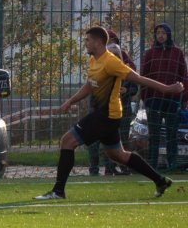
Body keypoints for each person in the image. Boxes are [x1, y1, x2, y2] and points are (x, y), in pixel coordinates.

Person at [35, 26, 183, 201]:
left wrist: (167, 89)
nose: (85, 43)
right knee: (117, 154)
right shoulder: (93, 60)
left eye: (88, 40)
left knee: (67, 141)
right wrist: (70, 101)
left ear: (98, 42)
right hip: (107, 115)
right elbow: (89, 86)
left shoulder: (111, 62)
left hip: (107, 115)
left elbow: (138, 78)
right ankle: (160, 181)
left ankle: (58, 191)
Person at [139, 23, 188, 172]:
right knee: (154, 134)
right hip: (154, 99)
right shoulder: (149, 53)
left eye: (163, 33)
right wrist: (145, 98)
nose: (160, 35)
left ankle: (172, 164)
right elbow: (143, 76)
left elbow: (184, 76)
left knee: (171, 134)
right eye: (158, 32)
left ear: (168, 35)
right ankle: (152, 165)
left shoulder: (177, 53)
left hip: (172, 99)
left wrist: (183, 98)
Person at [88, 39, 136, 176]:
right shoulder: (99, 68)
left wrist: (127, 90)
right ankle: (96, 169)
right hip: (102, 111)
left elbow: (135, 87)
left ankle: (121, 167)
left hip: (121, 110)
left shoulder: (125, 69)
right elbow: (91, 88)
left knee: (120, 140)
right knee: (96, 140)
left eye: (116, 54)